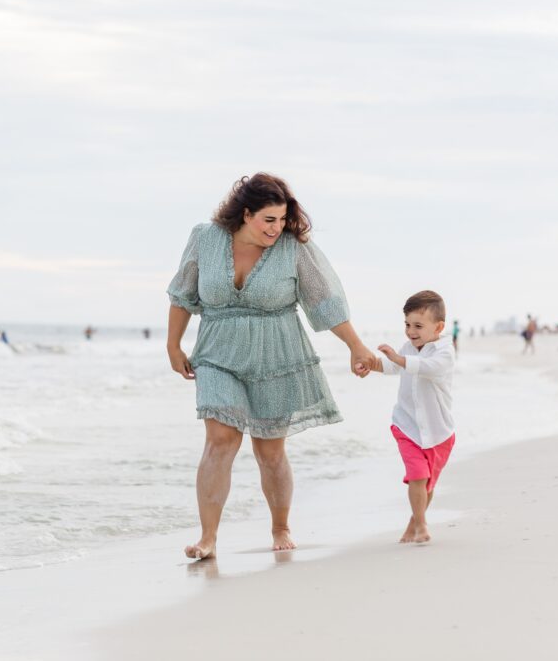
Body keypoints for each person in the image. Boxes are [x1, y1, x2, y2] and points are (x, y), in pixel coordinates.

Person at [167, 173, 376, 560]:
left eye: (282, 220)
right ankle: (208, 538)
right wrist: (173, 344)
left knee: (270, 451)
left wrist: (356, 346)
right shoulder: (204, 237)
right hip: (217, 353)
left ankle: (281, 526)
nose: (277, 228)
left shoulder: (294, 248)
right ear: (246, 215)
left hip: (276, 355)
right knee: (220, 440)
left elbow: (324, 301)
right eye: (269, 220)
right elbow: (182, 294)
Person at [367, 290, 456, 544]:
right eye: (407, 324)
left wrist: (400, 358)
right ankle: (423, 526)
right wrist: (371, 364)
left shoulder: (444, 351)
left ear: (438, 327)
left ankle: (412, 525)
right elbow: (393, 366)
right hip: (407, 427)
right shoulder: (407, 349)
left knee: (427, 484)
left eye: (418, 326)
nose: (411, 331)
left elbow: (430, 368)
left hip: (439, 432)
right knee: (417, 476)